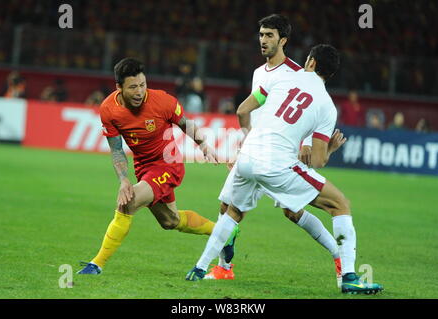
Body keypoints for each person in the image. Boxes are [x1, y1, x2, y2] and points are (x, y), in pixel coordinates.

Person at [187, 44, 384, 295]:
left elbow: (242, 109)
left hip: (247, 156)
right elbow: (319, 161)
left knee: (233, 211)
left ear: (310, 62)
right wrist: (331, 149)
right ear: (331, 74)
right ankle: (349, 276)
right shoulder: (327, 106)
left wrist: (251, 137)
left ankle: (200, 268)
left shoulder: (282, 78)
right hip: (277, 163)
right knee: (340, 204)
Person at [203, 14, 342, 287]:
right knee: (227, 207)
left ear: (283, 40)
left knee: (293, 213)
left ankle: (339, 257)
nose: (263, 40)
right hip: (255, 153)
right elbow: (251, 112)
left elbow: (309, 111)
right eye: (261, 35)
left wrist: (304, 145)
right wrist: (246, 143)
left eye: (269, 35)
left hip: (281, 156)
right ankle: (224, 267)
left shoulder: (297, 74)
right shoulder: (258, 73)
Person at [77, 58, 238, 275]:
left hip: (167, 165)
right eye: (133, 87)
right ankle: (224, 233)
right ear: (119, 88)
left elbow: (186, 124)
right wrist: (124, 179)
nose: (139, 91)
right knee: (170, 221)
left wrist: (203, 145)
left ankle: (96, 264)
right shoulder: (108, 109)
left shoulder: (162, 101)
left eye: (142, 85)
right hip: (143, 168)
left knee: (128, 203)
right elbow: (116, 149)